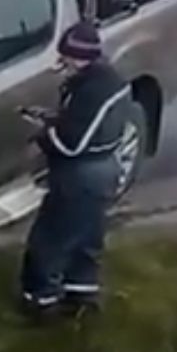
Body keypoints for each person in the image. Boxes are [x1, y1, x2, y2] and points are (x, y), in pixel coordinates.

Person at [19, 20, 133, 320]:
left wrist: (43, 131)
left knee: (49, 240)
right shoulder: (106, 81)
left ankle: (41, 303)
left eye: (66, 57)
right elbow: (84, 124)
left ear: (78, 55)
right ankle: (81, 296)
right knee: (85, 238)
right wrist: (55, 117)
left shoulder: (94, 90)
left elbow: (73, 144)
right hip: (102, 172)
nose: (63, 63)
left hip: (81, 176)